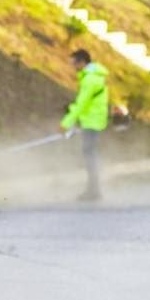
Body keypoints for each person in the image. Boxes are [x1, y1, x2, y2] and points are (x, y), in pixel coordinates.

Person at [62, 48, 108, 202]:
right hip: (92, 121)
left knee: (90, 156)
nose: (73, 67)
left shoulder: (90, 79)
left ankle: (93, 191)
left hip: (92, 122)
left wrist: (66, 123)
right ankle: (93, 190)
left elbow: (81, 103)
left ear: (82, 62)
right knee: (90, 155)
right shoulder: (94, 76)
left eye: (74, 63)